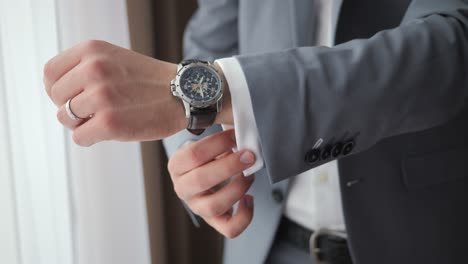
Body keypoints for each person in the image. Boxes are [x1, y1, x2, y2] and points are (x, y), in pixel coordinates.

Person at [44, 0, 468, 263]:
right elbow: (206, 49)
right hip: (262, 243)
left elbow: (450, 51)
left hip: (418, 240)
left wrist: (208, 93)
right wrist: (194, 159)